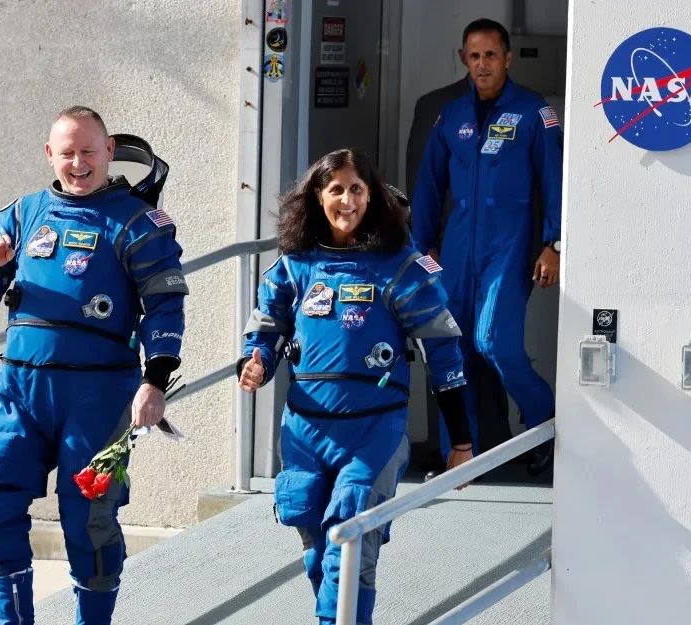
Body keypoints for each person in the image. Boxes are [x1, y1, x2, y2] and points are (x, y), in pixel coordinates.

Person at [0, 106, 187, 625]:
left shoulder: (138, 222)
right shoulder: (22, 213)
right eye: (68, 153)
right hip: (20, 390)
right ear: (50, 155)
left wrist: (154, 383)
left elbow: (166, 308)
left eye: (89, 151)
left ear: (109, 152)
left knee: (89, 519)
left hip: (101, 395)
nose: (78, 163)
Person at [237, 148, 474, 625]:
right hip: (304, 430)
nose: (347, 200)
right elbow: (266, 329)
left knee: (349, 547)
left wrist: (461, 442)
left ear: (374, 196)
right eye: (336, 189)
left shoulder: (400, 267)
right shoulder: (294, 265)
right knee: (314, 548)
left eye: (357, 189)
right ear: (316, 198)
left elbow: (444, 355)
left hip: (373, 432)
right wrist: (257, 360)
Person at [411, 18, 562, 475]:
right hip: (456, 248)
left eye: (491, 55)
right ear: (463, 60)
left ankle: (546, 421)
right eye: (474, 56)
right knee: (450, 349)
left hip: (510, 244)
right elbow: (428, 187)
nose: (483, 65)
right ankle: (462, 456)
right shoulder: (450, 116)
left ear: (508, 58)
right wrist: (423, 249)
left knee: (494, 341)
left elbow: (555, 183)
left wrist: (553, 243)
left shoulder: (536, 113)